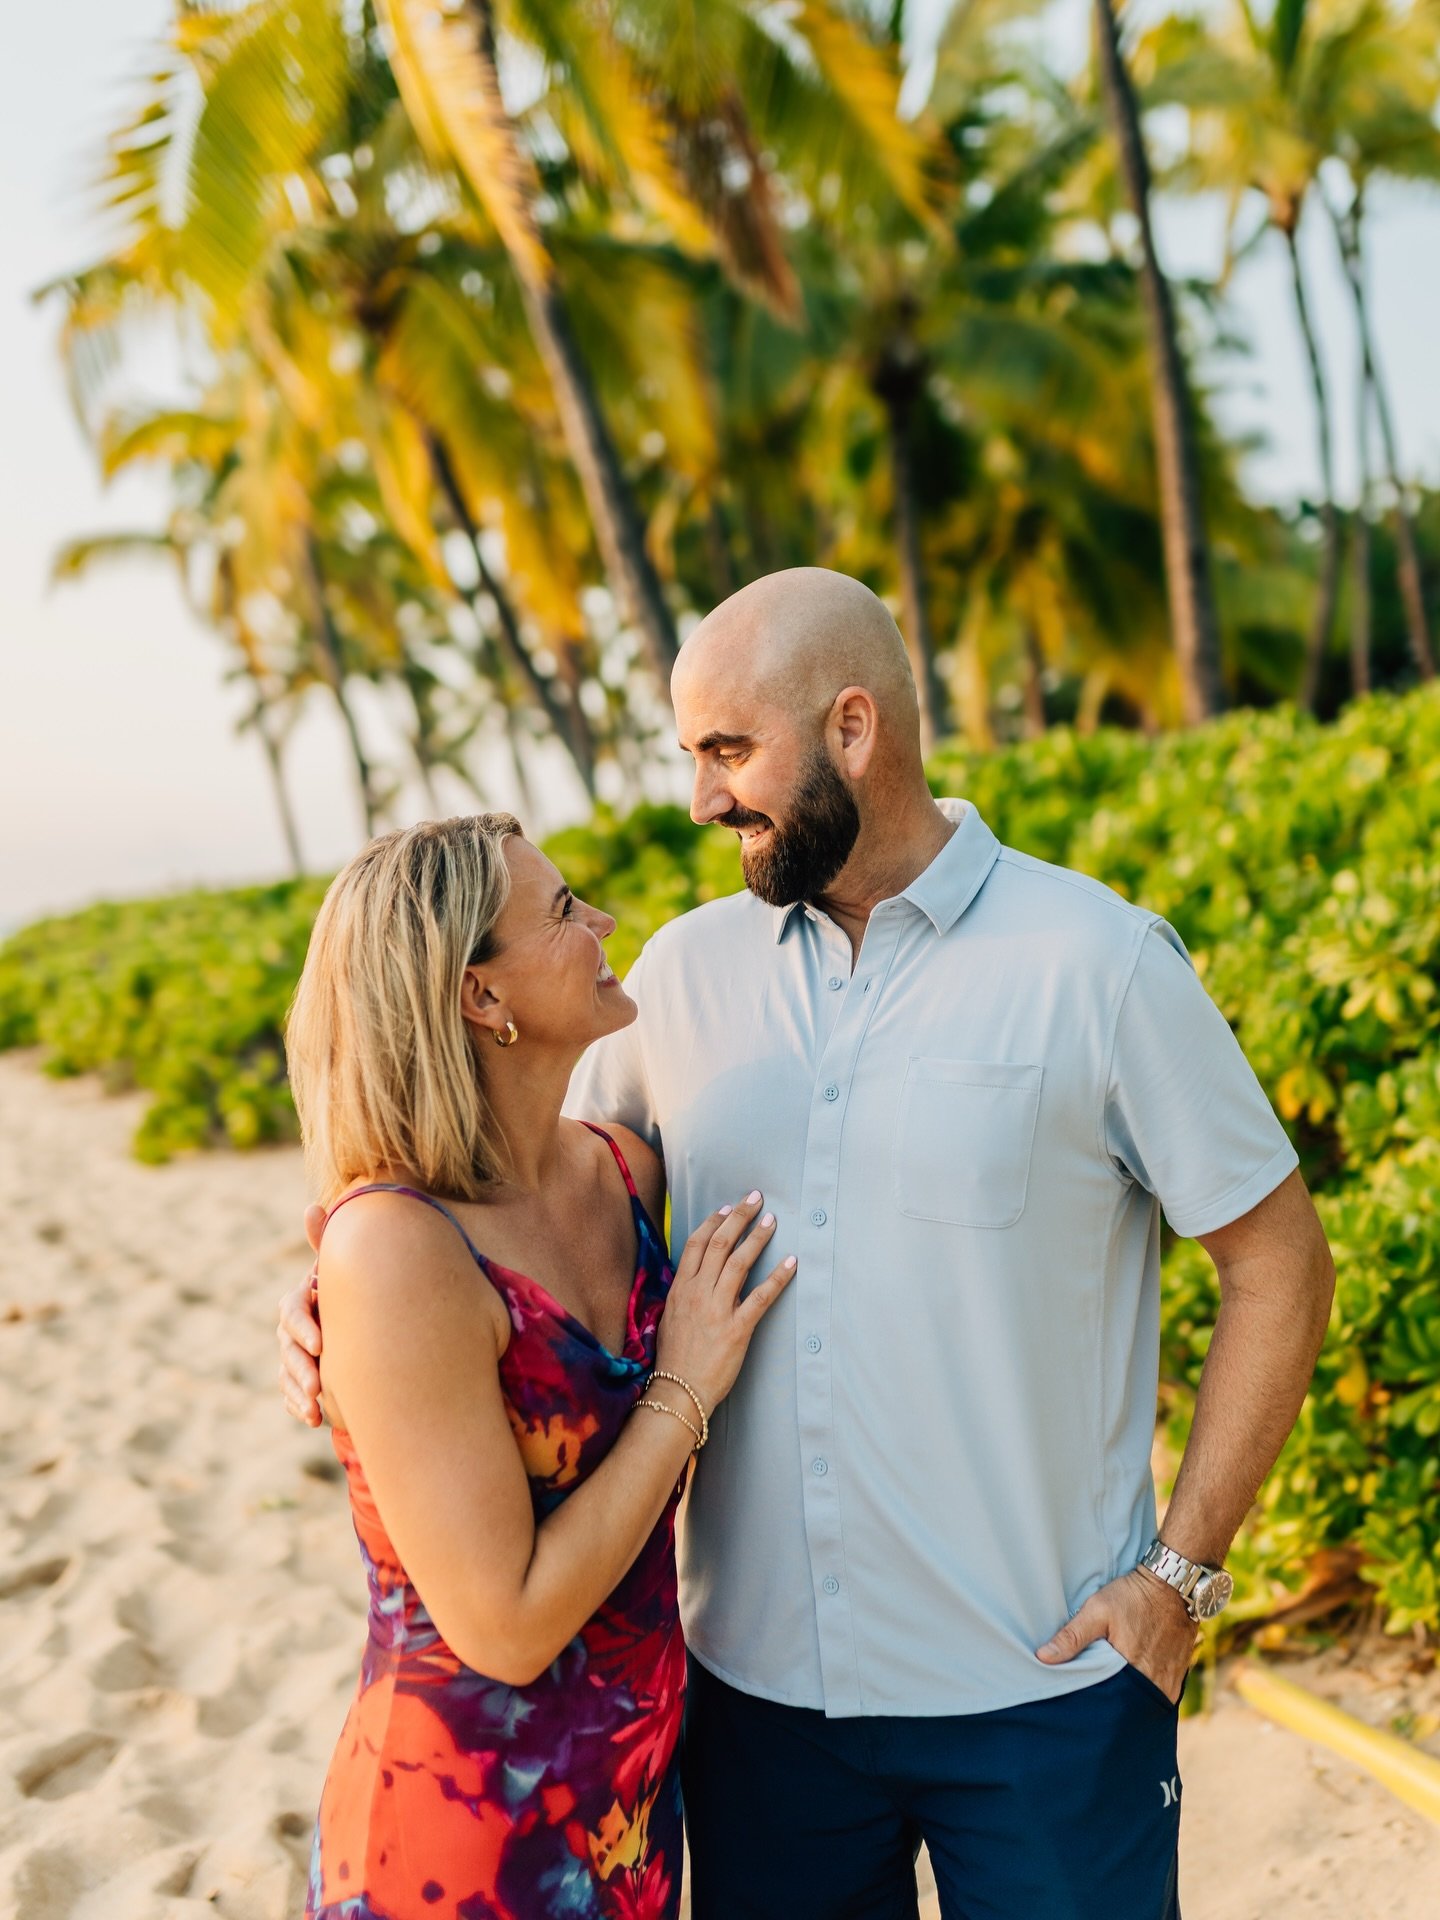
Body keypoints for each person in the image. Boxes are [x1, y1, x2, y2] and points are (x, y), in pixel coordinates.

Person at [279, 569, 1336, 1920]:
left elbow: (1281, 1261)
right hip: (756, 1718)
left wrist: (1179, 1580)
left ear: (852, 730)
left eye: (729, 751)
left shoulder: (1099, 963)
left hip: (1048, 1700)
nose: (704, 797)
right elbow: (507, 1210)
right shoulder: (674, 978)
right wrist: (333, 1293)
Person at [283, 811, 794, 1920]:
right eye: (563, 912)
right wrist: (685, 1389)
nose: (605, 921)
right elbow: (504, 1624)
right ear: (481, 997)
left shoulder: (622, 1169)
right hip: (464, 1835)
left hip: (629, 1807)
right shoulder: (397, 1248)